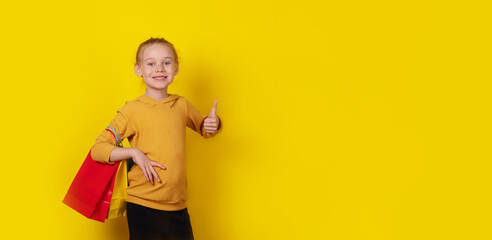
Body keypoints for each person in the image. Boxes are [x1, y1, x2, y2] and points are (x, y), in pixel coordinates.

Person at [90, 37, 222, 240]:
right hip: (143, 205)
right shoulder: (131, 111)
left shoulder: (181, 105)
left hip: (178, 206)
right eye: (151, 63)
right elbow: (98, 149)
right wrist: (133, 152)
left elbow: (205, 128)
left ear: (176, 68)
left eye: (166, 62)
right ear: (139, 70)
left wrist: (212, 124)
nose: (159, 68)